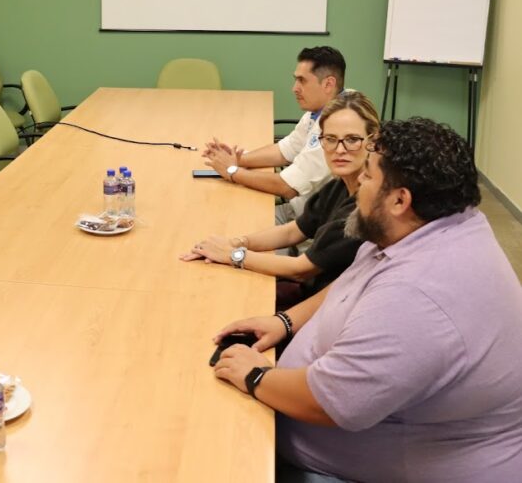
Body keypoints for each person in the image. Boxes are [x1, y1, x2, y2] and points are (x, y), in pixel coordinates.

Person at [211, 118, 522, 482]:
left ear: (399, 200)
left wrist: (255, 376)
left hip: (343, 458)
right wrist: (285, 322)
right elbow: (353, 282)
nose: (357, 181)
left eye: (368, 175)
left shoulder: (418, 298)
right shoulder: (431, 225)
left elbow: (330, 402)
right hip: (325, 411)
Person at [181, 91, 379, 307]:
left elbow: (301, 269)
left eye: (352, 140)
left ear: (373, 140)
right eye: (330, 139)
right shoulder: (340, 185)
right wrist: (236, 242)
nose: (339, 150)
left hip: (327, 308)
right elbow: (293, 231)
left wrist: (233, 255)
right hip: (314, 295)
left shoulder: (364, 206)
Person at [204, 46, 345, 223]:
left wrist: (232, 171)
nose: (295, 88)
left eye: (302, 81)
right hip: (300, 209)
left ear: (328, 84)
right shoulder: (325, 108)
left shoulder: (338, 127)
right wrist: (238, 159)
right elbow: (284, 150)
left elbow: (287, 187)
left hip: (307, 221)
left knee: (231, 219)